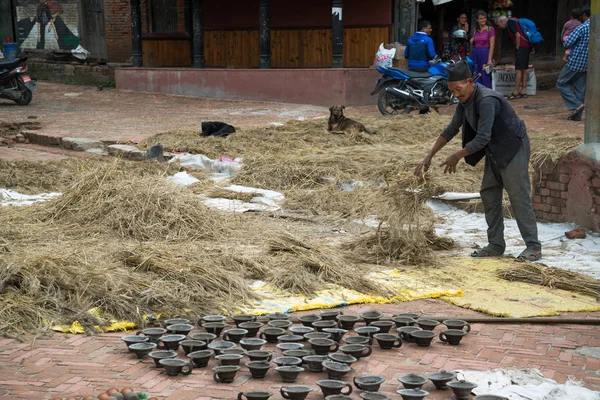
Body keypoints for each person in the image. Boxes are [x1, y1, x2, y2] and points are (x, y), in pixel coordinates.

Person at [414, 60, 541, 262]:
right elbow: (451, 129)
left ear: (470, 82)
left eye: (458, 89)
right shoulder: (464, 102)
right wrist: (429, 155)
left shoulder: (486, 100)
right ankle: (496, 244)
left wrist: (456, 156)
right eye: (451, 90)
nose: (455, 94)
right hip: (493, 150)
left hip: (512, 147)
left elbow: (482, 138)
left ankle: (533, 247)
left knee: (518, 197)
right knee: (489, 195)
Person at [556, 7, 590, 121]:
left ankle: (575, 105)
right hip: (588, 63)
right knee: (580, 88)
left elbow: (568, 42)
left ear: (584, 15)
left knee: (561, 83)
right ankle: (577, 116)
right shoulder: (597, 27)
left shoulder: (582, 27)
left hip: (576, 61)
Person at [495, 16, 534, 100]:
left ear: (502, 21)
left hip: (521, 47)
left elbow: (518, 35)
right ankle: (523, 90)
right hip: (526, 46)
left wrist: (517, 48)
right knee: (524, 69)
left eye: (499, 25)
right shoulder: (515, 20)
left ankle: (515, 91)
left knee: (518, 69)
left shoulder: (510, 22)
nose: (500, 27)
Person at [470, 10, 495, 89]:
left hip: (485, 53)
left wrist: (489, 59)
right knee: (476, 74)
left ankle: (487, 94)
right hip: (475, 53)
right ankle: (477, 93)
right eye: (481, 18)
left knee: (485, 74)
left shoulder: (490, 29)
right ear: (477, 20)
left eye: (484, 18)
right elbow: (471, 42)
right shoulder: (474, 30)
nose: (483, 20)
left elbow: (492, 45)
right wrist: (471, 39)